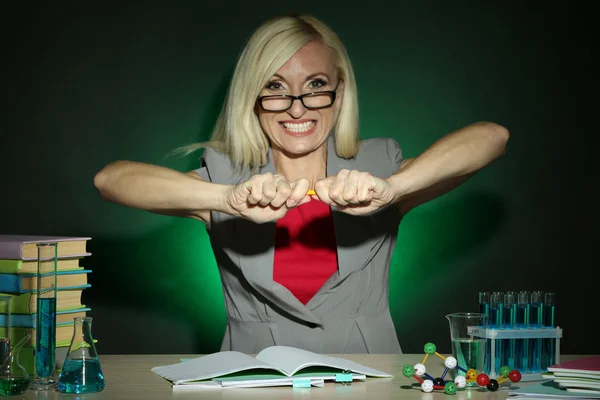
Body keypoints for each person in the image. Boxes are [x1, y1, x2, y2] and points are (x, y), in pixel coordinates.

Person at [94, 14, 509, 354]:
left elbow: (493, 137)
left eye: (315, 86)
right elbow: (111, 180)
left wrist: (394, 189)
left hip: (371, 383)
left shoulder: (378, 168)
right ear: (253, 100)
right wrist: (226, 199)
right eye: (275, 87)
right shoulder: (227, 180)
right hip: (250, 382)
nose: (297, 107)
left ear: (339, 93)